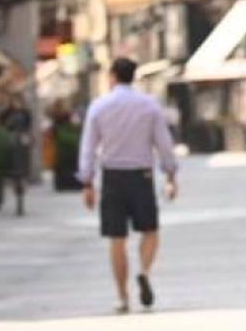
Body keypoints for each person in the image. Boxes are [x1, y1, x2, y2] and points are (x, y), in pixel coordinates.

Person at [77, 57, 180, 315]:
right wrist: (170, 174)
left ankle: (122, 297)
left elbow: (88, 147)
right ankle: (143, 272)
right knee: (150, 231)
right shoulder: (149, 106)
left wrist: (87, 182)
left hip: (112, 177)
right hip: (141, 177)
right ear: (133, 76)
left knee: (117, 239)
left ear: (112, 76)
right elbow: (163, 143)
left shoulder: (99, 107)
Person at [0, 94, 35, 217]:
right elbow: (1, 124)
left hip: (22, 145)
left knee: (22, 171)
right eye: (14, 101)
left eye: (18, 101)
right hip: (11, 145)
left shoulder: (26, 113)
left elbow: (29, 128)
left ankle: (22, 188)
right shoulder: (7, 113)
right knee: (14, 172)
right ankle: (16, 188)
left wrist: (29, 138)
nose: (16, 103)